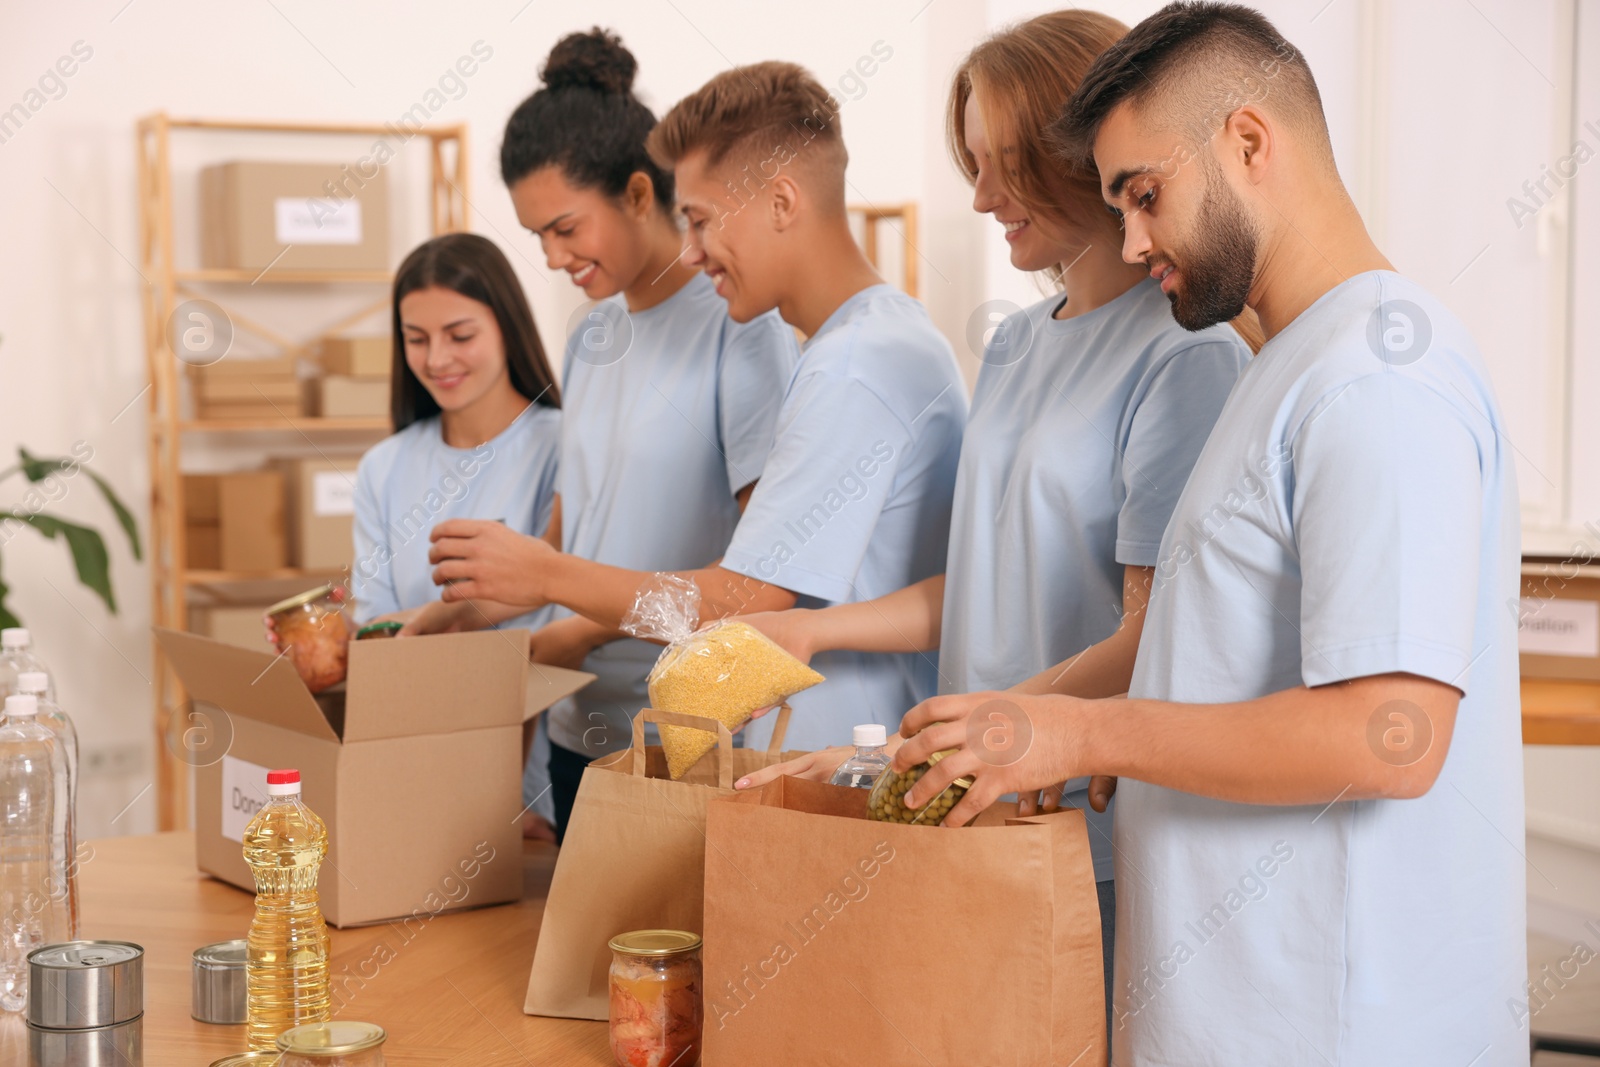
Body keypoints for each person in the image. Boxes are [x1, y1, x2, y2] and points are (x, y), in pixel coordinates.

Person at [895, 4, 1526, 1064]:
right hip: (1236, 1005)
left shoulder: (1376, 375)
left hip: (1336, 1021)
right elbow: (1193, 640)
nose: (1134, 238)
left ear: (1247, 141)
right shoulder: (1283, 361)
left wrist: (1089, 735)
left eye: (1145, 194)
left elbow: (1391, 732)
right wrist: (1014, 719)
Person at [729, 9, 1253, 1023]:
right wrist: (812, 627)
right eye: (969, 163)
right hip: (968, 791)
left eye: (999, 165)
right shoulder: (1013, 344)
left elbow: (1150, 635)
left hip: (1070, 813)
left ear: (1083, 151)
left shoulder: (1183, 356)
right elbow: (979, 574)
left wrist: (1009, 728)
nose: (978, 197)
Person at [423, 60, 968, 760]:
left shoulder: (852, 364)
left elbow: (740, 601)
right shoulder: (860, 343)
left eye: (701, 220)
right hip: (795, 745)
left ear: (781, 202)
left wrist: (548, 580)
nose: (689, 250)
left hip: (831, 758)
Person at [403, 29, 799, 841]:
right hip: (573, 723)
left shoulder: (739, 326)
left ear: (639, 194)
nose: (550, 258)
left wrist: (564, 615)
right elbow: (580, 513)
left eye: (564, 228)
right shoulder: (592, 333)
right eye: (536, 236)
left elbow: (757, 579)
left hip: (684, 735)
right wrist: (480, 605)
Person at [267, 230, 564, 839]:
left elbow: (558, 604)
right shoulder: (386, 466)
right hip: (410, 763)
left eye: (460, 335)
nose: (436, 359)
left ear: (506, 326)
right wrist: (326, 643)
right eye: (416, 339)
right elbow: (379, 627)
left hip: (530, 767)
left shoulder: (560, 446)